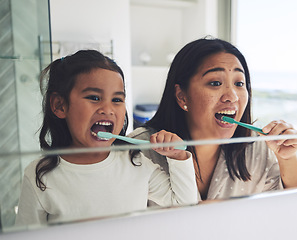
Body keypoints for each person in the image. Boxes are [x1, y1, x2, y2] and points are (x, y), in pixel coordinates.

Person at [15, 50, 197, 225]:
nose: (108, 109)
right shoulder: (39, 175)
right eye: (94, 97)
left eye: (117, 100)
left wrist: (178, 157)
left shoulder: (136, 162)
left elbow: (184, 204)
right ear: (60, 105)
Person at [128, 37, 297, 201]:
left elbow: (296, 202)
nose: (232, 96)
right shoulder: (140, 149)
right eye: (215, 83)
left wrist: (288, 158)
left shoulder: (256, 149)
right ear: (182, 96)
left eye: (239, 83)